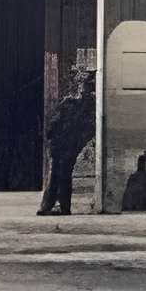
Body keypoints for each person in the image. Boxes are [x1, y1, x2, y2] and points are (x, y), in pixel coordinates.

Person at [40, 69, 96, 217]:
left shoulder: (88, 106)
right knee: (55, 175)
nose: (84, 89)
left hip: (69, 145)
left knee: (63, 175)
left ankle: (61, 206)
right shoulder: (69, 103)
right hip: (60, 145)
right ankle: (49, 205)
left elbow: (88, 128)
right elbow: (53, 125)